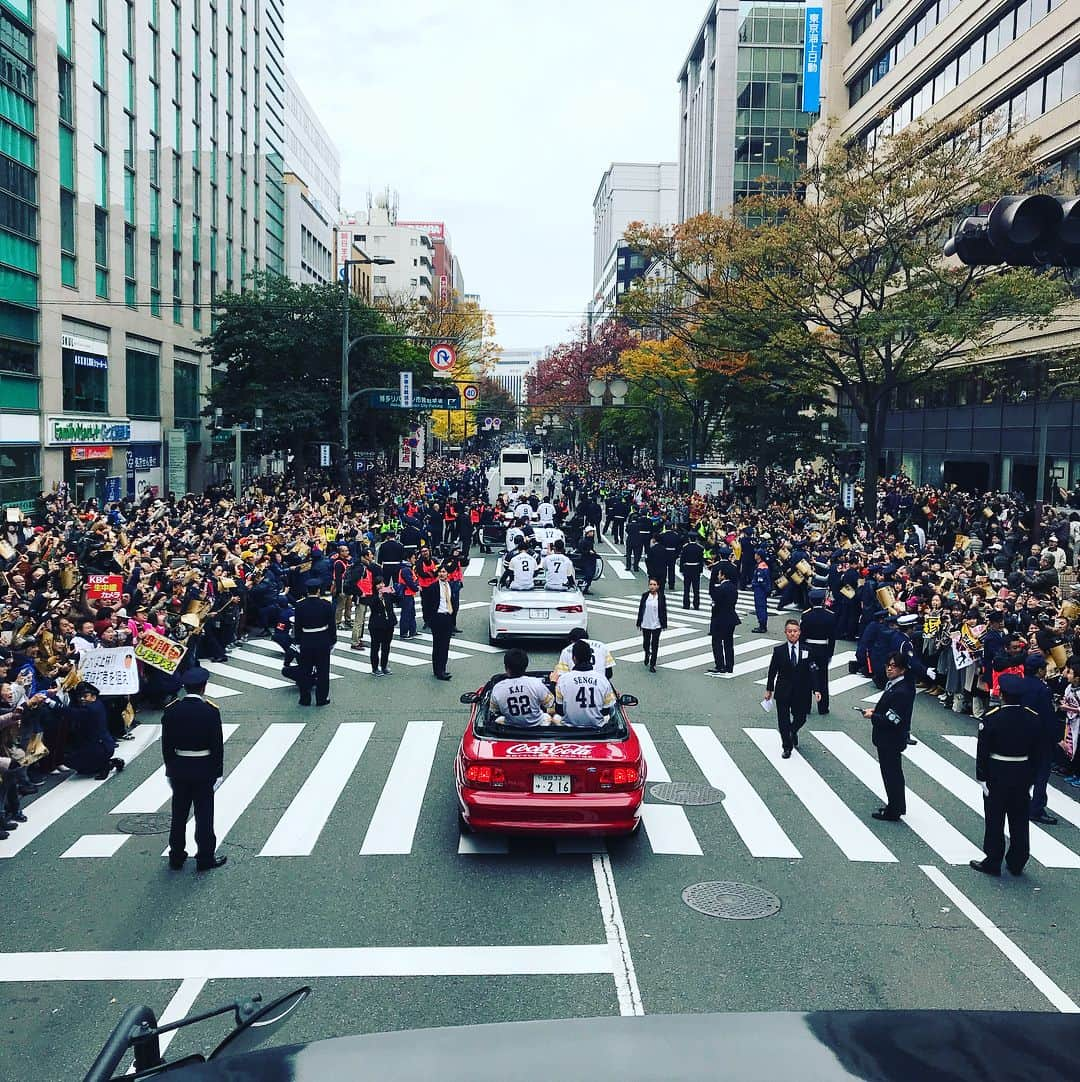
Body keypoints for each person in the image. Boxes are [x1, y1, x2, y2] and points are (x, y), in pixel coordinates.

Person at [970, 673, 1041, 878]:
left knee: (995, 819)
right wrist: (1031, 778)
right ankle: (1017, 860)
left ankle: (993, 860)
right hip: (1022, 773)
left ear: (1002, 695)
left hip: (997, 772)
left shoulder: (992, 718)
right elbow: (1037, 753)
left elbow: (982, 751)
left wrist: (981, 777)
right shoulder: (1032, 718)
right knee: (1019, 819)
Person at [161, 667, 226, 872]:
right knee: (204, 814)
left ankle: (176, 856)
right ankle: (205, 857)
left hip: (179, 767)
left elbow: (167, 746)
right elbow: (217, 745)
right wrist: (218, 772)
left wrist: (170, 769)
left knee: (178, 814)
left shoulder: (172, 710)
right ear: (203, 687)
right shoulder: (210, 711)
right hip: (204, 768)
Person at [860, 652, 915, 821]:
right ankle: (896, 806)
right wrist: (876, 711)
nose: (889, 668)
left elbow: (893, 719)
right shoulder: (895, 684)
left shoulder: (902, 690)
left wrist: (873, 716)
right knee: (892, 773)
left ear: (903, 669)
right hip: (889, 738)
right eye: (888, 665)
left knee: (892, 775)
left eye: (894, 666)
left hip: (891, 738)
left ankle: (894, 809)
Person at [764, 619, 823, 758]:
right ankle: (787, 747)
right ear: (785, 633)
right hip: (783, 690)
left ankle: (792, 731)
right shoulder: (779, 651)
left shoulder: (807, 650)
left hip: (802, 690)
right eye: (789, 631)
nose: (792, 634)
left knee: (801, 717)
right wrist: (769, 690)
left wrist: (817, 689)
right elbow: (772, 671)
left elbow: (813, 670)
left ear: (799, 632)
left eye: (795, 631)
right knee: (783, 720)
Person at [63, 682, 124, 780]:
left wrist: (53, 704)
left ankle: (106, 765)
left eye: (85, 696)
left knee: (68, 760)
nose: (82, 699)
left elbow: (71, 713)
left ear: (93, 696)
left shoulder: (91, 709)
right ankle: (103, 764)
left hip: (99, 748)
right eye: (80, 696)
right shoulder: (97, 703)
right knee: (83, 769)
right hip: (103, 745)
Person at [555, 640, 617, 728]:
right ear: (590, 658)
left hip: (569, 728)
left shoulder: (563, 680)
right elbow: (606, 711)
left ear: (574, 658)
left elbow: (559, 710)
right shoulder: (603, 680)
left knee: (555, 717)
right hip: (596, 727)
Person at [293, 578, 335, 706]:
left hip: (306, 639)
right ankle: (321, 698)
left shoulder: (300, 605)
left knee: (304, 670)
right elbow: (332, 625)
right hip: (322, 639)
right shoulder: (326, 605)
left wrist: (298, 641)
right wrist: (332, 641)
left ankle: (305, 699)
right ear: (318, 591)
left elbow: (297, 626)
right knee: (323, 671)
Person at [490, 648, 556, 726]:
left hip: (510, 726)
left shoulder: (498, 688)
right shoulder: (536, 683)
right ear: (526, 666)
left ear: (506, 667)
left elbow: (494, 710)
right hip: (537, 724)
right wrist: (553, 683)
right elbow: (550, 703)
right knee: (550, 716)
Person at [800, 588, 838, 715]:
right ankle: (823, 707)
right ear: (823, 601)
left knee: (806, 678)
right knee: (822, 678)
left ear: (811, 601)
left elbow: (802, 636)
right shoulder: (830, 616)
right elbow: (832, 637)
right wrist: (830, 653)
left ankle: (805, 707)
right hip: (823, 649)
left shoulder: (806, 615)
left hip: (809, 649)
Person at [707, 564, 741, 676]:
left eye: (719, 573)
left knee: (716, 642)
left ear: (723, 575)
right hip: (731, 617)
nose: (718, 575)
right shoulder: (733, 587)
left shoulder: (720, 589)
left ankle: (720, 665)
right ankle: (729, 666)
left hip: (720, 618)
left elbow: (715, 603)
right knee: (728, 643)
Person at [636, 577, 667, 673]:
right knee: (646, 643)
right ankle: (646, 653)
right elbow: (641, 609)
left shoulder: (661, 597)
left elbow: (663, 611)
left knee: (655, 644)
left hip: (656, 624)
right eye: (651, 584)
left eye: (654, 585)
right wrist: (639, 622)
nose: (652, 586)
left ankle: (652, 664)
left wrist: (664, 623)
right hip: (646, 623)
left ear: (658, 586)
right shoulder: (645, 596)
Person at [367, 580, 397, 676]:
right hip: (376, 625)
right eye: (379, 584)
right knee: (375, 646)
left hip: (388, 623)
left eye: (382, 583)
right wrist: (378, 597)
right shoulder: (372, 595)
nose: (381, 585)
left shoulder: (387, 594)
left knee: (386, 646)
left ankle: (384, 666)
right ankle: (375, 668)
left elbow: (398, 601)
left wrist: (394, 593)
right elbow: (372, 606)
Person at [430, 566, 455, 681]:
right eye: (440, 572)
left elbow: (454, 602)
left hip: (448, 617)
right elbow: (427, 604)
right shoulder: (434, 587)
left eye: (444, 572)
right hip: (438, 617)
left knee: (445, 645)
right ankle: (438, 670)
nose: (441, 574)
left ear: (448, 574)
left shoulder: (451, 586)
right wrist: (430, 619)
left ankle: (442, 669)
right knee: (438, 645)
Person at [679, 534, 705, 610]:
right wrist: (701, 571)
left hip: (687, 568)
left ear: (689, 539)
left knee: (686, 588)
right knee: (696, 589)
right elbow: (701, 561)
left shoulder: (685, 547)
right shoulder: (699, 548)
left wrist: (681, 569)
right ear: (696, 539)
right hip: (696, 569)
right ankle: (696, 604)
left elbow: (682, 559)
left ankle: (686, 604)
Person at [750, 550, 772, 633]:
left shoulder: (761, 567)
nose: (754, 555)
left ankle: (762, 626)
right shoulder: (762, 565)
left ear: (759, 556)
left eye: (756, 554)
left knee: (760, 607)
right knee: (761, 607)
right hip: (761, 589)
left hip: (760, 589)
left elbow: (761, 580)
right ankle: (762, 625)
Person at [578, 526, 599, 595]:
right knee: (588, 575)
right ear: (587, 533)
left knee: (591, 575)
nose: (593, 533)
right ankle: (582, 587)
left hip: (591, 560)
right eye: (591, 532)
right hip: (586, 560)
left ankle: (586, 588)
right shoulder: (583, 541)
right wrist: (588, 552)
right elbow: (581, 550)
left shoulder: (590, 540)